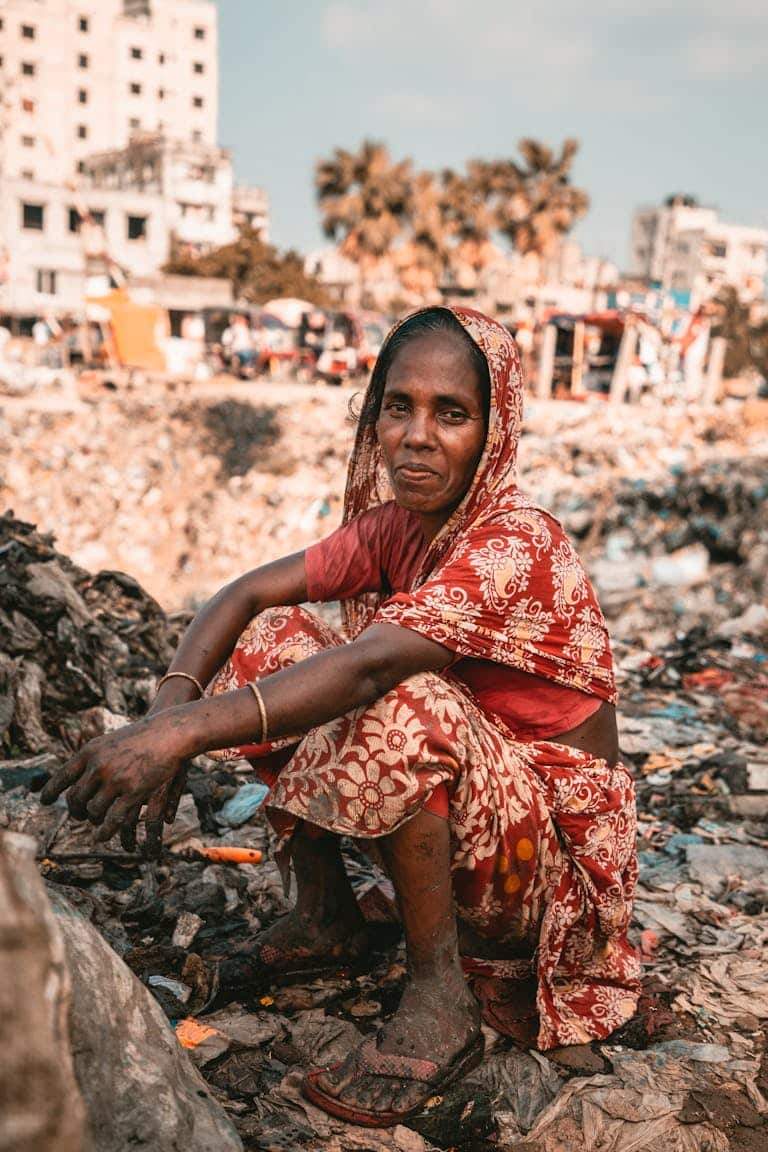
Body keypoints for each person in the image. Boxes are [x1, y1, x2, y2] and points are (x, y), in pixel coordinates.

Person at [43, 306, 640, 1128]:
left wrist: (177, 736)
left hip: (547, 882)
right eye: (399, 406)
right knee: (276, 638)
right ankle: (325, 916)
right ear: (373, 416)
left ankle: (441, 994)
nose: (417, 436)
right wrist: (168, 706)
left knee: (397, 695)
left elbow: (370, 667)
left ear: (496, 431)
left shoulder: (514, 542)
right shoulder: (398, 528)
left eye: (452, 413)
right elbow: (245, 594)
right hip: (493, 831)